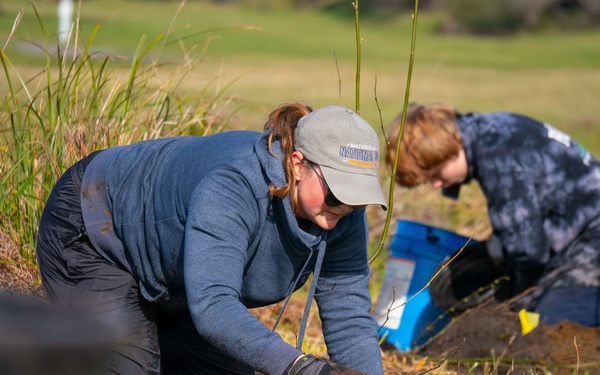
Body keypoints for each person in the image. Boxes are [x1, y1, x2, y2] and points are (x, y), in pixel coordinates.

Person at [36, 103, 388, 375]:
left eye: (357, 198)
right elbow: (214, 305)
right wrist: (300, 368)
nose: (345, 208)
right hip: (98, 230)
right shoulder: (234, 184)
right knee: (130, 366)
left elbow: (349, 316)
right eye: (337, 194)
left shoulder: (341, 213)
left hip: (177, 275)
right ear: (297, 164)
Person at [386, 103, 600, 327]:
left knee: (553, 327)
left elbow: (528, 251)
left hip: (591, 239)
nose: (437, 184)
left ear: (451, 148)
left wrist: (514, 308)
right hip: (571, 232)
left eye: (436, 174)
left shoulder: (499, 159)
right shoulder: (490, 129)